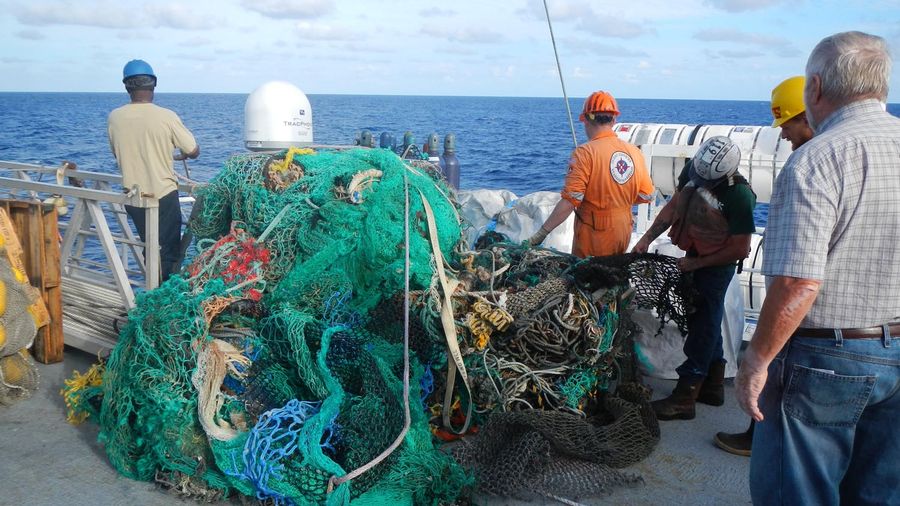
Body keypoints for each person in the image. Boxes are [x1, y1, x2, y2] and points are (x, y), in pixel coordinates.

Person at [735, 31, 900, 505]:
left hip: (826, 359)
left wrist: (755, 362)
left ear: (816, 86)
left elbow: (797, 282)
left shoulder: (816, 161)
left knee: (798, 493)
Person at [714, 75, 815, 457]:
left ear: (807, 114)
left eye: (786, 123)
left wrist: (755, 356)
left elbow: (798, 273)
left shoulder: (810, 164)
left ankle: (761, 440)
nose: (784, 134)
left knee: (777, 374)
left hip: (804, 307)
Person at [632, 136, 756, 421]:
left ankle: (685, 396)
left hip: (716, 264)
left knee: (704, 325)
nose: (699, 180)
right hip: (694, 256)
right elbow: (674, 207)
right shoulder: (694, 170)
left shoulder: (739, 195)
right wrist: (646, 239)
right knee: (703, 319)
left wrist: (696, 264)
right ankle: (713, 386)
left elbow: (738, 248)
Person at [527, 90, 654, 256]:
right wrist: (618, 203)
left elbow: (570, 202)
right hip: (624, 229)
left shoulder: (585, 153)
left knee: (588, 277)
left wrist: (542, 233)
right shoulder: (634, 152)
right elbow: (646, 195)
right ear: (614, 119)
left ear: (586, 119)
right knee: (613, 274)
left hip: (595, 234)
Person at [108, 59, 199, 281]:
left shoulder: (115, 117)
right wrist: (181, 153)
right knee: (167, 252)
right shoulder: (165, 116)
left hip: (134, 197)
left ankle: (152, 290)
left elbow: (117, 152)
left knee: (150, 246)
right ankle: (161, 300)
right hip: (163, 195)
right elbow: (193, 149)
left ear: (127, 86)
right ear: (153, 84)